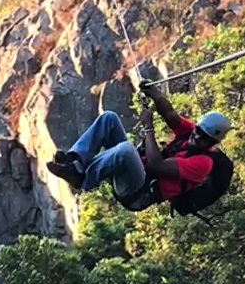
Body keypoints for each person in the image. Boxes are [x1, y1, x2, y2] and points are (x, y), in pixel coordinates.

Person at [46, 85, 231, 212]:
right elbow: (170, 115)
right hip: (138, 170)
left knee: (126, 150)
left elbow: (156, 165)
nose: (196, 136)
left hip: (139, 191)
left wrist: (148, 128)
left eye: (202, 137)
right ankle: (76, 161)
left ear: (212, 142)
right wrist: (155, 93)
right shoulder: (190, 132)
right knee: (109, 118)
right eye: (197, 130)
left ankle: (82, 179)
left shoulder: (203, 163)